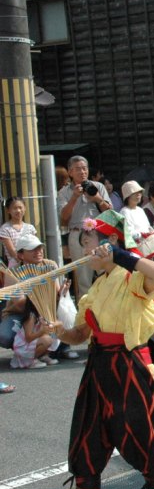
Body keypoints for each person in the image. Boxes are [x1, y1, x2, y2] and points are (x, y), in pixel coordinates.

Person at [44, 212, 154, 489]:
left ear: (107, 244)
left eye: (86, 241)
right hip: (98, 367)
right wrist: (60, 331)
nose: (82, 248)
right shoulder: (95, 288)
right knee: (86, 440)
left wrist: (121, 256)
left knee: (139, 437)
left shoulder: (129, 275)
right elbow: (80, 335)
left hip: (128, 366)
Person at [57, 155, 113, 298]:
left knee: (107, 272)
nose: (82, 172)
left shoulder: (98, 186)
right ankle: (86, 313)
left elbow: (110, 213)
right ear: (70, 172)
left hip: (99, 233)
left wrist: (98, 199)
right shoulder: (64, 192)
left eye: (84, 168)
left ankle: (109, 305)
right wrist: (74, 197)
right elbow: (63, 218)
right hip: (77, 234)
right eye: (78, 169)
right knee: (83, 278)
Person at [8, 235, 61, 369]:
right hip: (23, 311)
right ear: (20, 255)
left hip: (43, 310)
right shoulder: (13, 272)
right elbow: (20, 303)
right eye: (32, 249)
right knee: (6, 334)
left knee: (57, 326)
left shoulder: (49, 265)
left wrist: (62, 292)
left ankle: (47, 352)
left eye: (40, 248)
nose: (38, 252)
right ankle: (28, 357)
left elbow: (56, 293)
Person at [1, 196, 38, 268]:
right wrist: (24, 263)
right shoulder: (5, 229)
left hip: (32, 266)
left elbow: (36, 247)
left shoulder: (31, 228)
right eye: (15, 208)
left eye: (20, 207)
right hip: (16, 267)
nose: (18, 210)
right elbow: (12, 252)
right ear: (8, 210)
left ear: (25, 208)